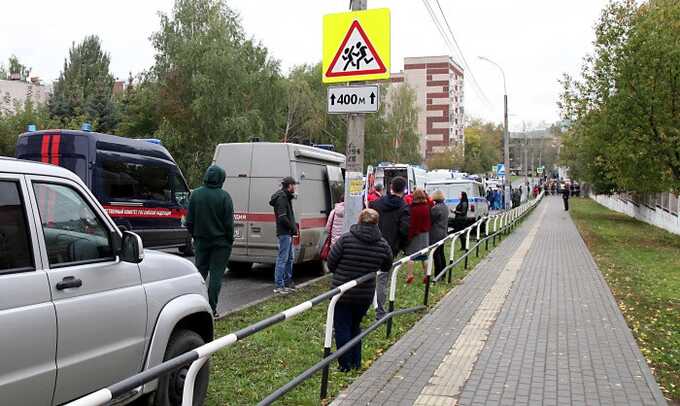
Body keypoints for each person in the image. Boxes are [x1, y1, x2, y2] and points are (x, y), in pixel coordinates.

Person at [327, 209, 393, 372]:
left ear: (359, 220)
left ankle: (345, 365)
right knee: (355, 326)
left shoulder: (346, 239)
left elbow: (331, 262)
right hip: (365, 293)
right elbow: (386, 265)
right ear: (377, 223)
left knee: (342, 327)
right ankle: (356, 362)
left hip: (342, 292)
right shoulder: (382, 244)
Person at [186, 165, 234, 318]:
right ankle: (211, 309)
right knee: (216, 276)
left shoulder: (195, 195)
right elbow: (228, 224)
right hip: (221, 244)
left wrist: (196, 235)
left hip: (201, 241)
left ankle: (194, 309)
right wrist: (229, 239)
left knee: (200, 274)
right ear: (221, 178)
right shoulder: (224, 196)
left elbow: (189, 221)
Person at [369, 176, 410, 320]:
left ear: (390, 187)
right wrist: (401, 246)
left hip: (372, 244)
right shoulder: (404, 207)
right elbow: (404, 230)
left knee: (367, 278)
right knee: (382, 279)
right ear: (404, 190)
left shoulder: (376, 203)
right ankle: (380, 312)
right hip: (390, 248)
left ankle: (363, 309)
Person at [269, 176, 298, 294]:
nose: (295, 187)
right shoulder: (282, 198)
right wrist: (293, 227)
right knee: (283, 258)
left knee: (290, 258)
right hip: (284, 233)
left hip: (288, 233)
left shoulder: (286, 197)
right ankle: (279, 286)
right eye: (294, 185)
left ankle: (287, 282)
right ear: (289, 185)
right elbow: (282, 218)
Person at [405, 189, 431, 283]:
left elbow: (412, 223)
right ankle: (426, 275)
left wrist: (409, 236)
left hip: (415, 234)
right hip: (425, 234)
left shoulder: (412, 208)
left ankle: (410, 275)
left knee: (411, 256)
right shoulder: (427, 207)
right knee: (424, 256)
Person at [429, 190, 449, 276]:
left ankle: (438, 274)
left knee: (436, 255)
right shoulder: (444, 206)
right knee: (441, 253)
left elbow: (431, 220)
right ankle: (443, 272)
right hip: (443, 232)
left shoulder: (435, 208)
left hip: (436, 234)